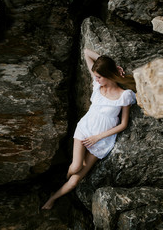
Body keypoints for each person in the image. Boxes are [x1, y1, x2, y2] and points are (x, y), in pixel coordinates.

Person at [41, 48, 136, 210]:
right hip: (85, 130)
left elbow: (123, 124)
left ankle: (53, 197)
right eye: (96, 76)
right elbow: (86, 52)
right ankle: (64, 176)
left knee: (76, 181)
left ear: (107, 75)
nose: (96, 79)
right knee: (76, 166)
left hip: (101, 140)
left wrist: (97, 138)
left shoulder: (124, 95)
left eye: (99, 76)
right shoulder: (97, 87)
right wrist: (113, 65)